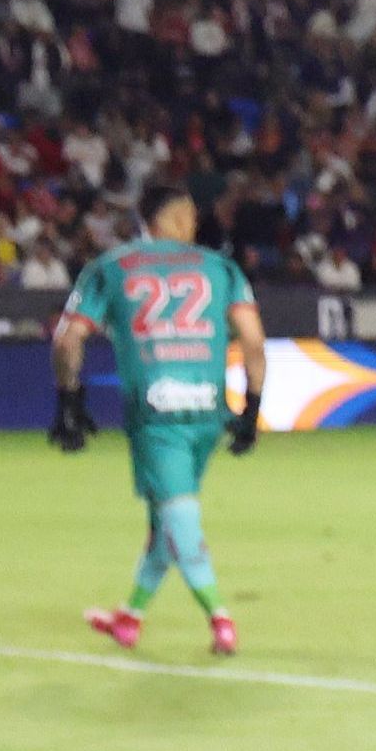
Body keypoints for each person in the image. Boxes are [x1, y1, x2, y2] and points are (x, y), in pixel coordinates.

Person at [52, 192, 259, 657]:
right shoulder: (222, 269)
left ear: (146, 220)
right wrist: (252, 408)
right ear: (184, 218)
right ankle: (130, 617)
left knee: (178, 518)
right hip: (208, 410)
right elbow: (254, 341)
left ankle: (220, 617)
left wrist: (69, 400)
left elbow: (68, 340)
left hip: (156, 411)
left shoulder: (112, 266)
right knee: (162, 520)